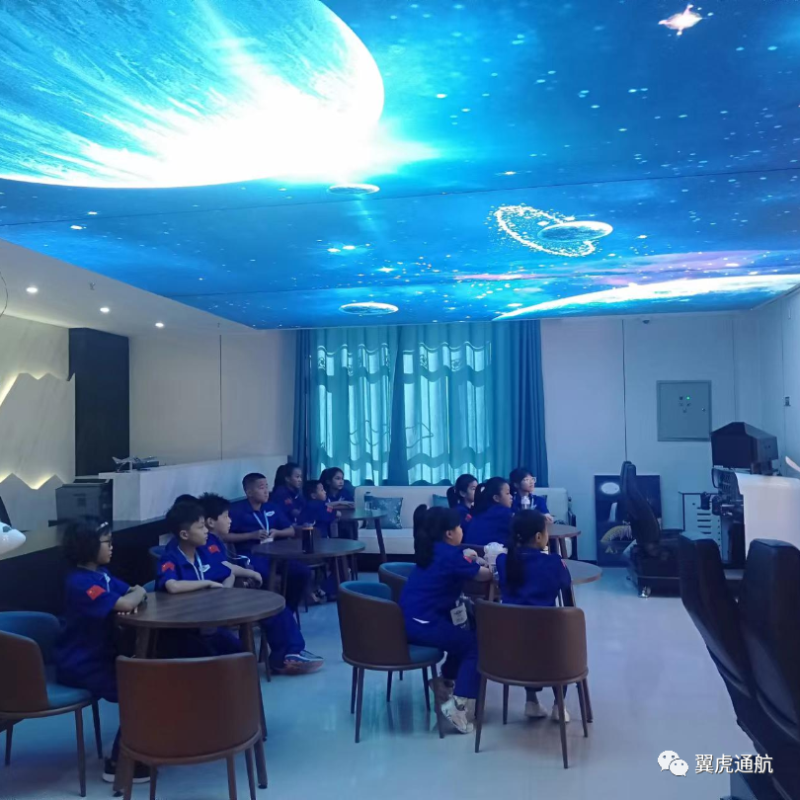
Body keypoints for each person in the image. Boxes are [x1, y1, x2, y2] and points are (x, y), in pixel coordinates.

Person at [54, 521, 150, 784]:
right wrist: (139, 592)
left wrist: (135, 593)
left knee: (147, 684)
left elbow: (129, 592)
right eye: (106, 542)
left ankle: (139, 748)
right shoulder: (79, 583)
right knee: (138, 692)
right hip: (81, 662)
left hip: (102, 656)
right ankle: (119, 763)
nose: (111, 547)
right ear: (88, 546)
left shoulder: (101, 575)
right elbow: (128, 600)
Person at [199, 493, 323, 674]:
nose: (230, 520)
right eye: (225, 517)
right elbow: (223, 569)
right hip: (218, 600)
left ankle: (289, 654)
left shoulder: (214, 541)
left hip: (229, 593)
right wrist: (245, 574)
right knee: (271, 605)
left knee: (277, 605)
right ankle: (285, 656)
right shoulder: (205, 543)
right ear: (211, 522)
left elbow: (226, 568)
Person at [400, 506, 492, 734]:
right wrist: (492, 566)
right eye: (459, 527)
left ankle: (444, 682)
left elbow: (461, 563)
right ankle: (459, 706)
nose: (462, 530)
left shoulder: (433, 549)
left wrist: (468, 558)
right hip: (423, 623)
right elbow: (483, 575)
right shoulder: (451, 556)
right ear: (449, 533)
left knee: (464, 634)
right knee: (474, 645)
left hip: (410, 618)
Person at [496, 510, 573, 722]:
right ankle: (559, 705)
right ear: (539, 537)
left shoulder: (503, 561)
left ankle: (531, 702)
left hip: (509, 645)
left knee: (525, 631)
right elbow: (565, 583)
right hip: (548, 644)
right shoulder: (553, 562)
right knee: (566, 639)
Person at [156, 501, 242, 656]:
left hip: (209, 623)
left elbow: (228, 572)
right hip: (182, 631)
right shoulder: (170, 558)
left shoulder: (203, 553)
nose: (206, 531)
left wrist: (224, 592)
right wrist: (207, 583)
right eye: (201, 527)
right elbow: (172, 586)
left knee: (241, 652)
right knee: (212, 657)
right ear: (184, 534)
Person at [227, 473, 311, 611]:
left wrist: (277, 532)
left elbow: (291, 531)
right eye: (261, 488)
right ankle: (266, 612)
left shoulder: (272, 507)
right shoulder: (236, 510)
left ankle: (287, 610)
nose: (266, 491)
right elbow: (224, 536)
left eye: (267, 487)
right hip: (250, 554)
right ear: (249, 492)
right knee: (264, 574)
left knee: (302, 572)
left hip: (275, 553)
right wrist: (250, 535)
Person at [466, 477, 514, 546]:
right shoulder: (504, 512)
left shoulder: (479, 511)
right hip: (493, 552)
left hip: (472, 551)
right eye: (507, 493)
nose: (511, 496)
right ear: (496, 498)